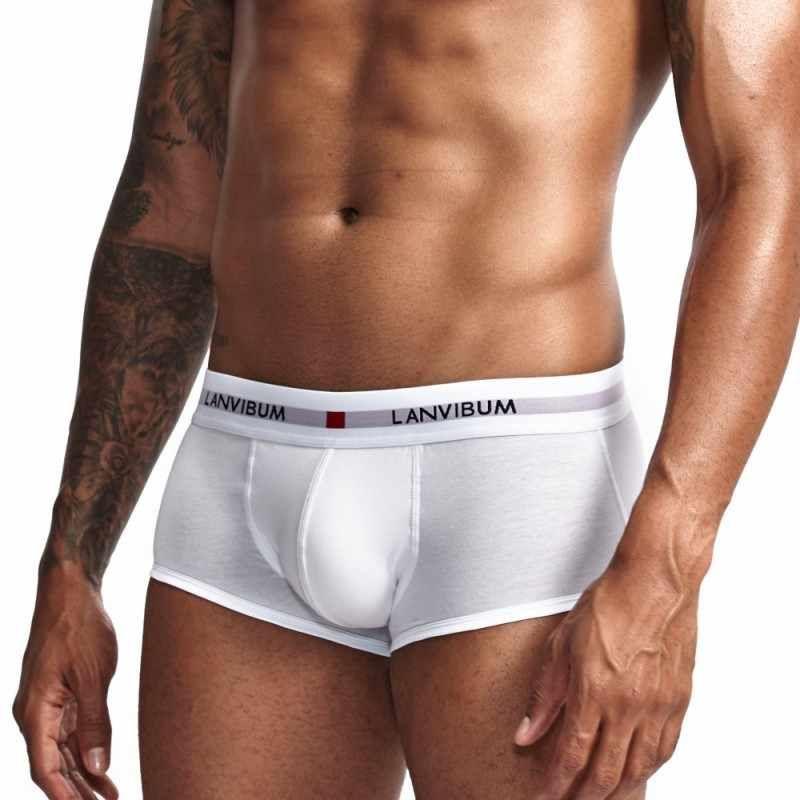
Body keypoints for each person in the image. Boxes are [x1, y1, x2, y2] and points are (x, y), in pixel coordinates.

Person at [13, 1, 800, 798]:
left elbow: (764, 178)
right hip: (241, 474)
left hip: (514, 483)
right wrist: (73, 563)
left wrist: (665, 574)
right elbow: (169, 203)